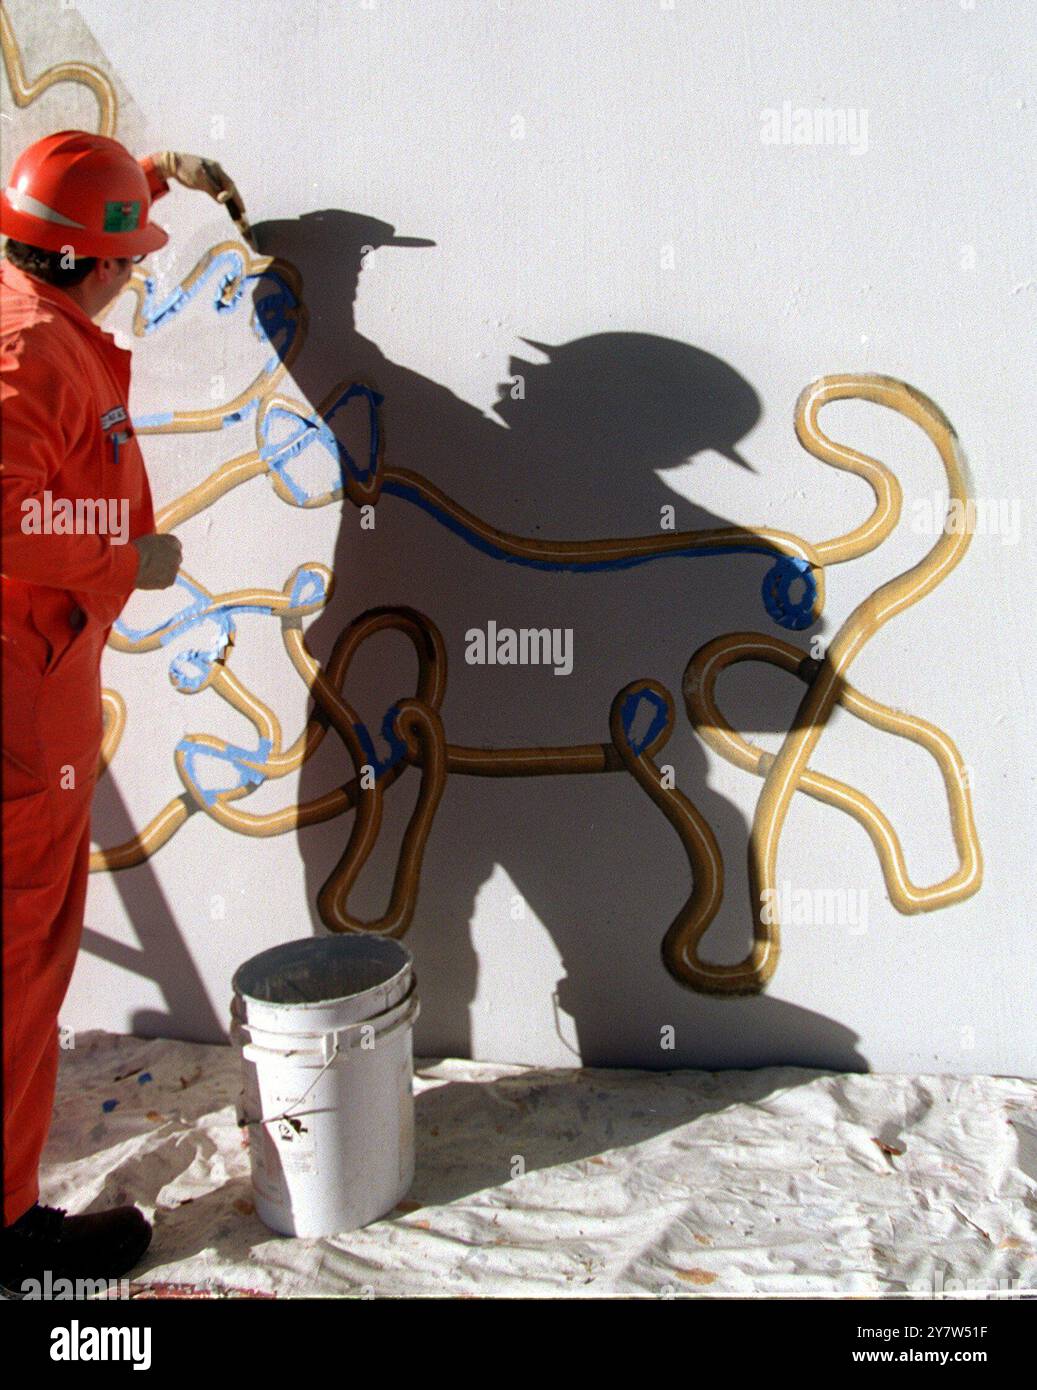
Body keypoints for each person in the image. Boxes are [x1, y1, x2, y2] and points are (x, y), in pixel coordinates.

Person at [0, 129, 247, 1289]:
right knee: (14, 964)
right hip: (13, 710)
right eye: (131, 253)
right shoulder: (26, 355)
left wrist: (145, 182)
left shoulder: (22, 281)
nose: (138, 271)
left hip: (30, 685)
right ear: (91, 266)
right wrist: (119, 549)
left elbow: (67, 221)